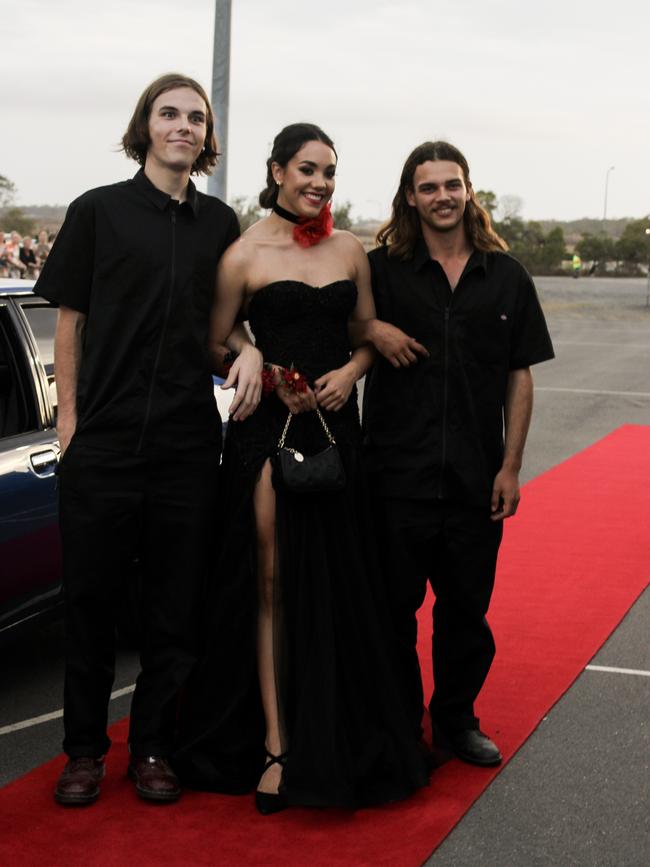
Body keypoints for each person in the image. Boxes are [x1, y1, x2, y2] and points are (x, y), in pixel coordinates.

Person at [174, 123, 430, 813]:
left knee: (340, 578)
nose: (319, 182)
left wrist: (352, 370)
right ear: (278, 171)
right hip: (266, 431)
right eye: (308, 170)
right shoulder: (243, 253)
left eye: (329, 172)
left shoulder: (351, 248)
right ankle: (277, 745)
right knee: (272, 582)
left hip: (337, 426)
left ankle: (336, 729)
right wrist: (247, 357)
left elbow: (365, 332)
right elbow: (212, 342)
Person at [35, 72, 261, 807]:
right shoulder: (98, 212)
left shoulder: (220, 224)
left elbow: (219, 331)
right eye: (170, 113)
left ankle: (154, 746)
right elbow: (70, 322)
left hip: (187, 448)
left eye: (196, 117)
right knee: (91, 607)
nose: (184, 126)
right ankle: (83, 752)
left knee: (174, 609)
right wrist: (69, 422)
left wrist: (249, 350)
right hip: (100, 445)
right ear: (147, 126)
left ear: (206, 138)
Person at [360, 141, 554, 767]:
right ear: (409, 197)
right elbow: (334, 321)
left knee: (466, 615)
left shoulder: (507, 275)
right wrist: (371, 328)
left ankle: (455, 721)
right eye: (428, 186)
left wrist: (512, 465)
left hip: (475, 480)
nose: (441, 196)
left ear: (469, 190)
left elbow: (519, 375)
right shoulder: (381, 271)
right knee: (392, 614)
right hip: (395, 477)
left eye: (452, 184)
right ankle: (395, 723)